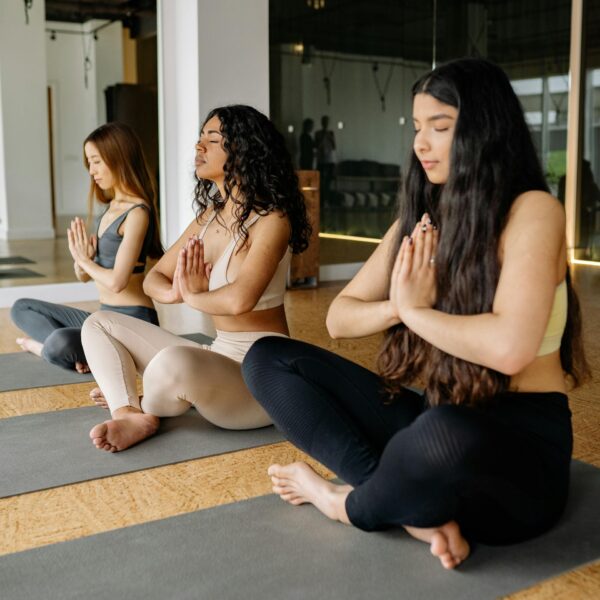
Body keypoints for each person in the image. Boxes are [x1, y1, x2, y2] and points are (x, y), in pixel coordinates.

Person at [241, 58, 589, 570]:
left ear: (483, 130)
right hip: (436, 412)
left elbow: (509, 347)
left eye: (439, 128)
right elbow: (340, 319)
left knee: (441, 434)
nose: (420, 144)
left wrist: (414, 310)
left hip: (518, 453)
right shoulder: (422, 216)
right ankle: (405, 504)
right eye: (417, 128)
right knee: (267, 359)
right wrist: (396, 307)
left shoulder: (532, 211)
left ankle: (345, 503)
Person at [82, 104, 311, 453]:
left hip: (260, 375)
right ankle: (129, 412)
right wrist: (177, 291)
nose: (199, 147)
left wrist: (192, 295)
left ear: (243, 150)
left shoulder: (272, 220)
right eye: (199, 139)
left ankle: (147, 398)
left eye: (213, 140)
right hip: (216, 355)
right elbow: (153, 279)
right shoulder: (208, 217)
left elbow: (240, 299)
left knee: (173, 363)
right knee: (98, 324)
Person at [11, 122, 163, 372]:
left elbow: (117, 282)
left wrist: (85, 262)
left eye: (96, 161)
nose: (91, 171)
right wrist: (82, 259)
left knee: (60, 342)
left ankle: (42, 348)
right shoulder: (111, 209)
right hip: (102, 317)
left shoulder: (138, 213)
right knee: (21, 308)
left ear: (118, 158)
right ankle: (85, 353)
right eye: (89, 163)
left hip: (131, 322)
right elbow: (83, 277)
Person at [314, 115, 336, 203]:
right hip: (321, 160)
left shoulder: (331, 133)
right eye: (324, 121)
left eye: (327, 121)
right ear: (322, 122)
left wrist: (330, 137)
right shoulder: (318, 133)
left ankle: (327, 200)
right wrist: (323, 137)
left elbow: (334, 146)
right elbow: (316, 146)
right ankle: (321, 200)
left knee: (328, 181)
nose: (325, 123)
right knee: (320, 180)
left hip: (330, 159)